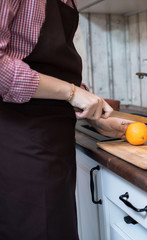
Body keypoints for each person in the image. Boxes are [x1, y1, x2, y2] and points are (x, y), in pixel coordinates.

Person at [0, 0, 131, 239]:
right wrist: (73, 93)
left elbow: (54, 74)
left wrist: (93, 116)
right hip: (18, 134)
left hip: (53, 140)